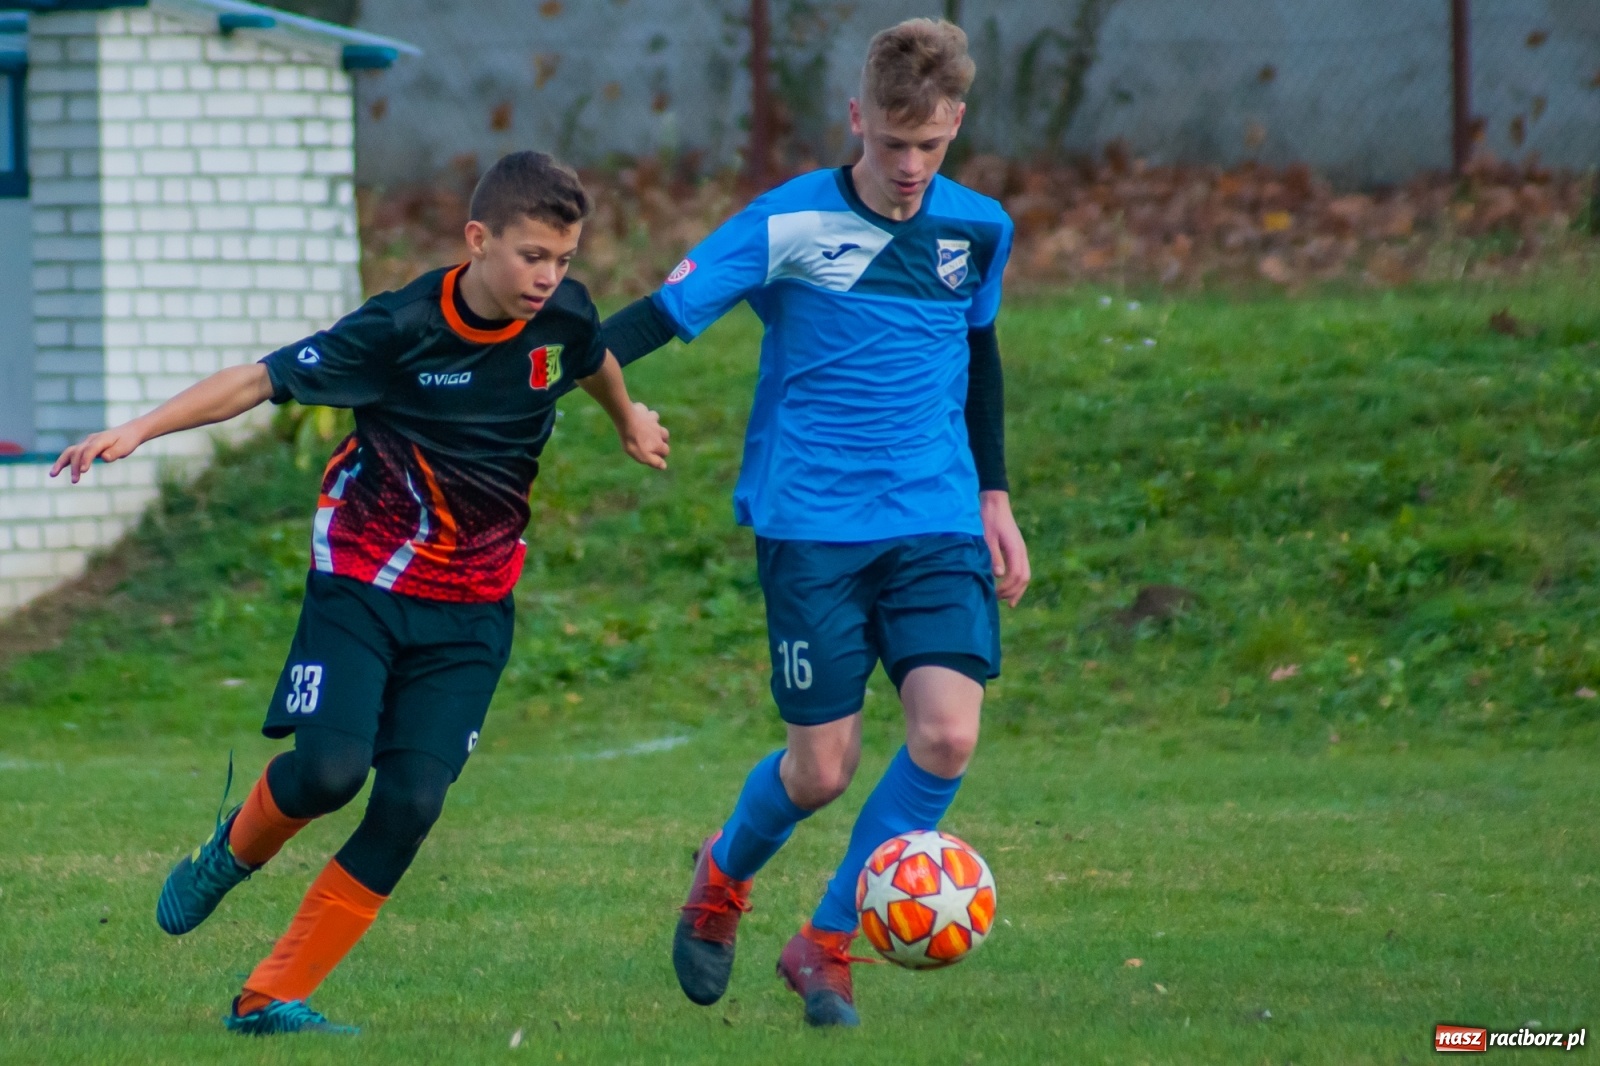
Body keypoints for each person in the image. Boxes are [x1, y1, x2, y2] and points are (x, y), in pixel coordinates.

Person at [51, 151, 671, 1036]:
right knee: (330, 773)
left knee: (414, 802)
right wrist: (139, 428)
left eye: (564, 259)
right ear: (477, 239)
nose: (549, 277)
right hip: (365, 580)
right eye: (532, 254)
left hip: (474, 602)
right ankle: (230, 853)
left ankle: (268, 999)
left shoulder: (563, 314)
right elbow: (259, 378)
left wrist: (627, 419)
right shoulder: (401, 327)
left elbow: (591, 353)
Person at [600, 18, 1029, 1028]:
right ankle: (722, 876)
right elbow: (651, 319)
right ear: (855, 119)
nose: (910, 167)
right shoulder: (785, 223)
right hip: (813, 526)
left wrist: (994, 497)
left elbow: (981, 357)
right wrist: (548, 380)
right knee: (821, 768)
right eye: (891, 143)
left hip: (933, 521)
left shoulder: (977, 228)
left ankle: (825, 943)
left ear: (956, 124)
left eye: (930, 145)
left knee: (946, 734)